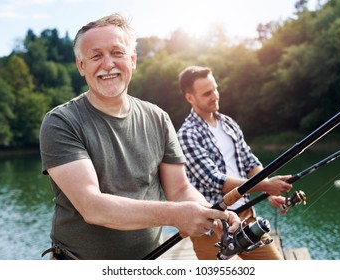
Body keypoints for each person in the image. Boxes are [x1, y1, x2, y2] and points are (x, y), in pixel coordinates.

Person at [39, 14, 240, 260]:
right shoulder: (61, 122)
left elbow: (179, 189)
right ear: (81, 66)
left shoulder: (158, 118)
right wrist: (176, 215)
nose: (108, 64)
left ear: (132, 59)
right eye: (96, 56)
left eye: (117, 52)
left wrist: (210, 212)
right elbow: (93, 207)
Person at [177, 66, 293, 260]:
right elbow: (215, 180)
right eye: (207, 93)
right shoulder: (187, 135)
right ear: (190, 98)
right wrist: (265, 186)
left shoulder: (229, 124)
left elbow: (249, 162)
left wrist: (268, 191)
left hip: (245, 216)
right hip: (211, 223)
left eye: (215, 89)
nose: (215, 96)